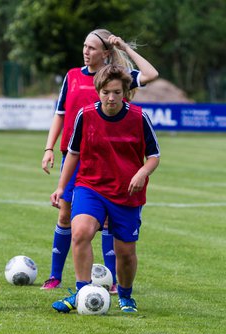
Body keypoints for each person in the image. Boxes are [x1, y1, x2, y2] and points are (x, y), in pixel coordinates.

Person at [41, 28, 159, 292]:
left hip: (107, 158)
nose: (86, 51)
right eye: (84, 46)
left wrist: (125, 47)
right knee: (66, 215)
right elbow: (60, 114)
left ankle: (113, 281)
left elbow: (151, 75)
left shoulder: (117, 78)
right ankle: (55, 276)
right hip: (75, 154)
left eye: (92, 47)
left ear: (106, 53)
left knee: (108, 220)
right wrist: (49, 147)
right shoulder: (72, 77)